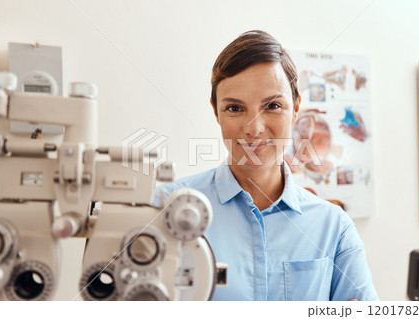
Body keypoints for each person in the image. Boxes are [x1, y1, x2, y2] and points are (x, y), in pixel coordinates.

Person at [152, 30, 378, 301]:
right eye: (235, 108)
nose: (254, 129)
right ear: (216, 111)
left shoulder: (334, 227)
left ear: (295, 109)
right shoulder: (164, 207)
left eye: (272, 105)